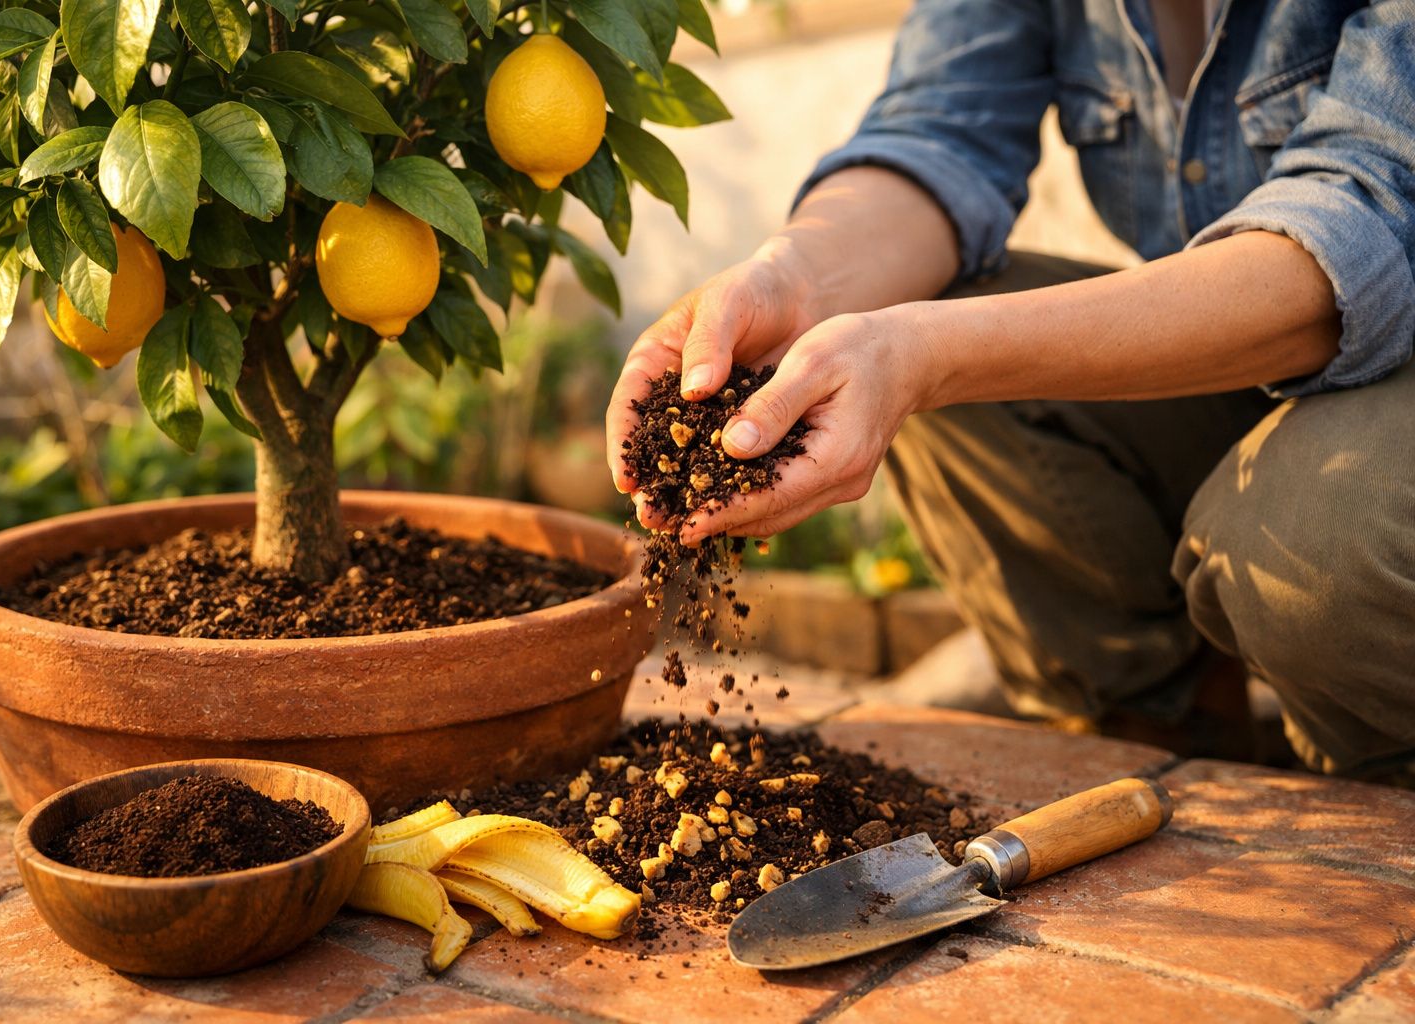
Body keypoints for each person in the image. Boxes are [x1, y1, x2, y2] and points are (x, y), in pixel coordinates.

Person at [605, 0, 1415, 781]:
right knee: (909, 325)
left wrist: (930, 354)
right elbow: (937, 133)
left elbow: (1359, 223)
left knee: (1313, 542)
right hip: (1245, 363)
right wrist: (797, 277)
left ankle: (1368, 815)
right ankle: (1163, 757)